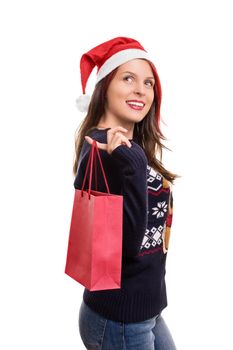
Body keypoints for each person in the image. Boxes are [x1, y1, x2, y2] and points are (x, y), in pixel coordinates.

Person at [72, 37, 180, 350]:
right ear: (105, 87)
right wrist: (133, 163)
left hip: (144, 310)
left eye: (148, 82)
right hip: (120, 319)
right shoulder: (104, 151)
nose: (141, 91)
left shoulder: (125, 148)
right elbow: (127, 247)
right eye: (128, 78)